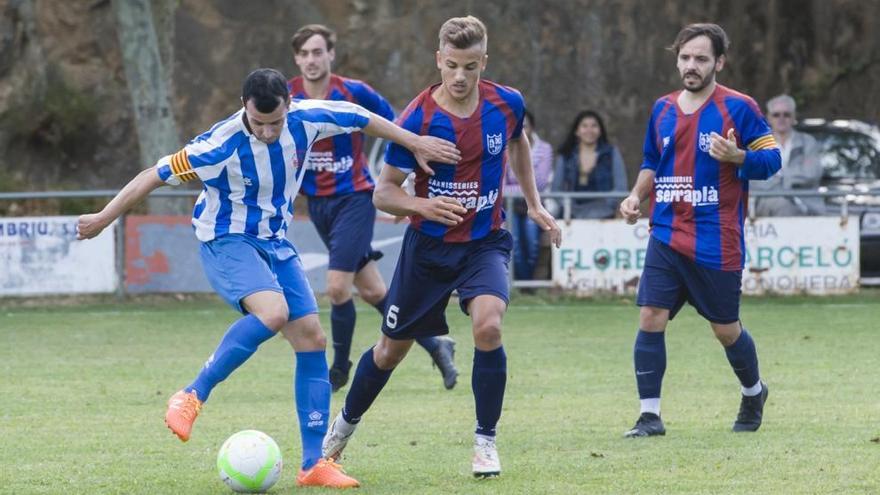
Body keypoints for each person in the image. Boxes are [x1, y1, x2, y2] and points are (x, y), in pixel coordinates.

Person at [76, 68, 461, 488]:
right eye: (259, 123)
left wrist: (413, 141)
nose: (268, 131)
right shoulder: (219, 144)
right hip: (227, 239)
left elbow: (357, 115)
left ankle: (314, 463)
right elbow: (154, 174)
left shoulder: (307, 118)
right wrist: (103, 218)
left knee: (312, 339)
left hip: (274, 242)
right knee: (274, 312)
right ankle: (191, 394)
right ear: (245, 109)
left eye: (275, 122)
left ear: (288, 107)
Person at [321, 16, 561, 480]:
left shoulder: (507, 103)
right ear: (438, 60)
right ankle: (343, 429)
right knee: (390, 352)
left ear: (483, 63)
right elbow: (383, 192)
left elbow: (519, 144)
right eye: (451, 65)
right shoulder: (416, 119)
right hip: (428, 251)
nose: (460, 76)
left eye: (470, 66)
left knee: (488, 327)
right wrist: (422, 206)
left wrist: (534, 204)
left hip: (484, 244)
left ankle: (485, 442)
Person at [618, 24, 781, 438]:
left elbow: (772, 159)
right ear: (677, 59)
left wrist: (738, 155)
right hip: (667, 232)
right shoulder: (662, 108)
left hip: (716, 237)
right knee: (651, 316)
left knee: (725, 329)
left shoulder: (739, 108)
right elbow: (652, 162)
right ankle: (649, 416)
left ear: (719, 63)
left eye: (702, 59)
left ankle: (753, 391)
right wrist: (637, 196)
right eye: (686, 57)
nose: (692, 66)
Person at [288, 24, 458, 392]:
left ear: (331, 54)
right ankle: (436, 344)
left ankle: (338, 369)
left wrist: (407, 177)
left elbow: (398, 126)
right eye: (304, 54)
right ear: (297, 59)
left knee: (336, 288)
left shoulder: (353, 92)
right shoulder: (287, 95)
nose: (311, 60)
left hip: (355, 199)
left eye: (318, 52)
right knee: (373, 291)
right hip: (318, 205)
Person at [752, 94, 825, 216]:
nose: (781, 118)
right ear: (768, 118)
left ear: (793, 118)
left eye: (786, 114)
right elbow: (754, 180)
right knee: (784, 206)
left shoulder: (808, 142)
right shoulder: (757, 145)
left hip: (806, 203)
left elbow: (812, 173)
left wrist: (778, 175)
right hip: (767, 202)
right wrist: (791, 179)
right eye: (776, 115)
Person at [503, 109, 553, 280]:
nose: (521, 130)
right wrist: (526, 184)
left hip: (534, 204)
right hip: (508, 205)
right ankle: (523, 284)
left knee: (532, 242)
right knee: (514, 242)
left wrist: (523, 157)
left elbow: (540, 183)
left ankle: (527, 284)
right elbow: (501, 185)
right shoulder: (502, 148)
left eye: (525, 126)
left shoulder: (544, 149)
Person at [552, 110, 628, 219]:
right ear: (576, 131)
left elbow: (621, 187)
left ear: (600, 130)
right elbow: (556, 189)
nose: (589, 130)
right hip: (572, 214)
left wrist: (609, 205)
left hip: (604, 213)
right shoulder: (566, 155)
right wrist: (567, 206)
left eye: (594, 126)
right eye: (584, 126)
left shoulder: (611, 153)